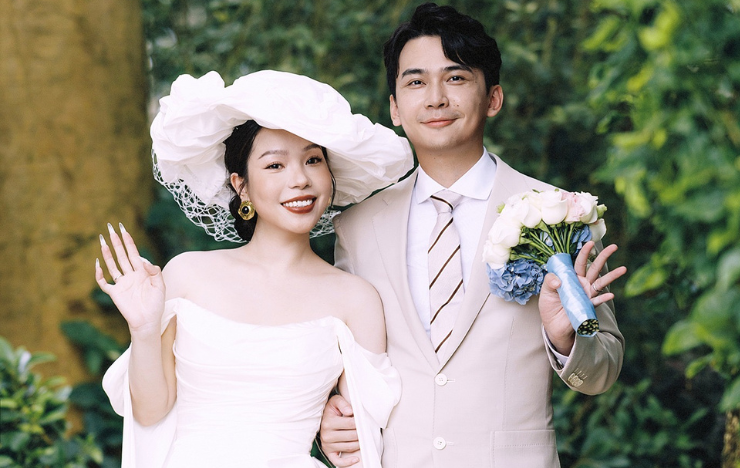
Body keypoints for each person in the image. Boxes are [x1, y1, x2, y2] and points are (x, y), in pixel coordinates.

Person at [319, 3, 626, 467]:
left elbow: (602, 370)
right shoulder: (358, 226)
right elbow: (350, 365)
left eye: (456, 78)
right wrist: (332, 413)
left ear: (493, 98)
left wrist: (566, 339)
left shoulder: (558, 212)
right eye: (416, 82)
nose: (436, 98)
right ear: (395, 108)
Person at [96, 70, 412, 468]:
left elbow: (358, 436)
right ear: (240, 185)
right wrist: (143, 330)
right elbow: (149, 412)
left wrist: (341, 434)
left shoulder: (356, 299)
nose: (300, 179)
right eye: (275, 165)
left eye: (313, 159)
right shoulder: (188, 275)